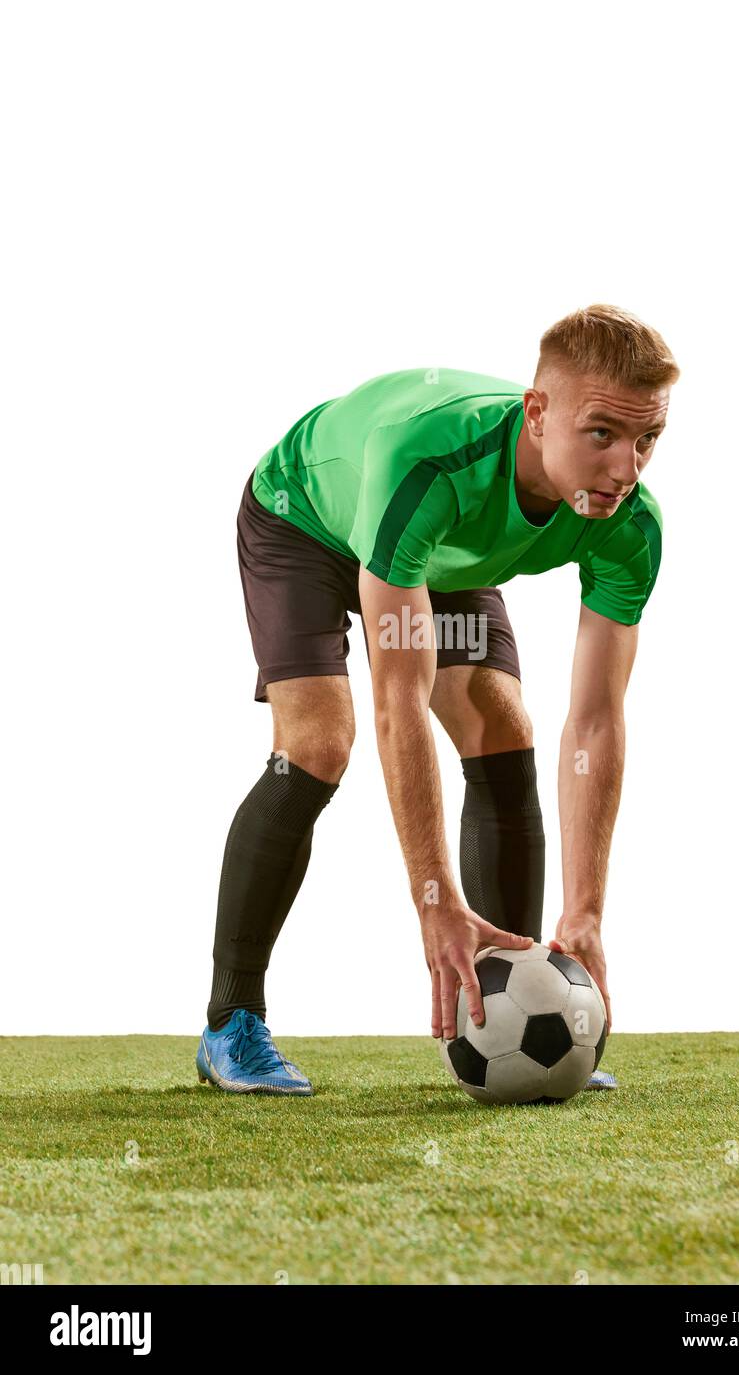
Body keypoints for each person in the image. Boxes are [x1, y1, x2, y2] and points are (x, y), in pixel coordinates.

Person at [195, 303, 679, 1094]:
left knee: (499, 720)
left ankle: (523, 1005)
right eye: (602, 435)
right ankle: (230, 1022)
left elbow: (594, 719)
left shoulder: (630, 525)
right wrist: (435, 900)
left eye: (645, 440)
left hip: (444, 550)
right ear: (538, 414)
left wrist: (583, 911)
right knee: (319, 741)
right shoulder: (429, 468)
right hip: (305, 518)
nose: (627, 468)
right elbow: (400, 702)